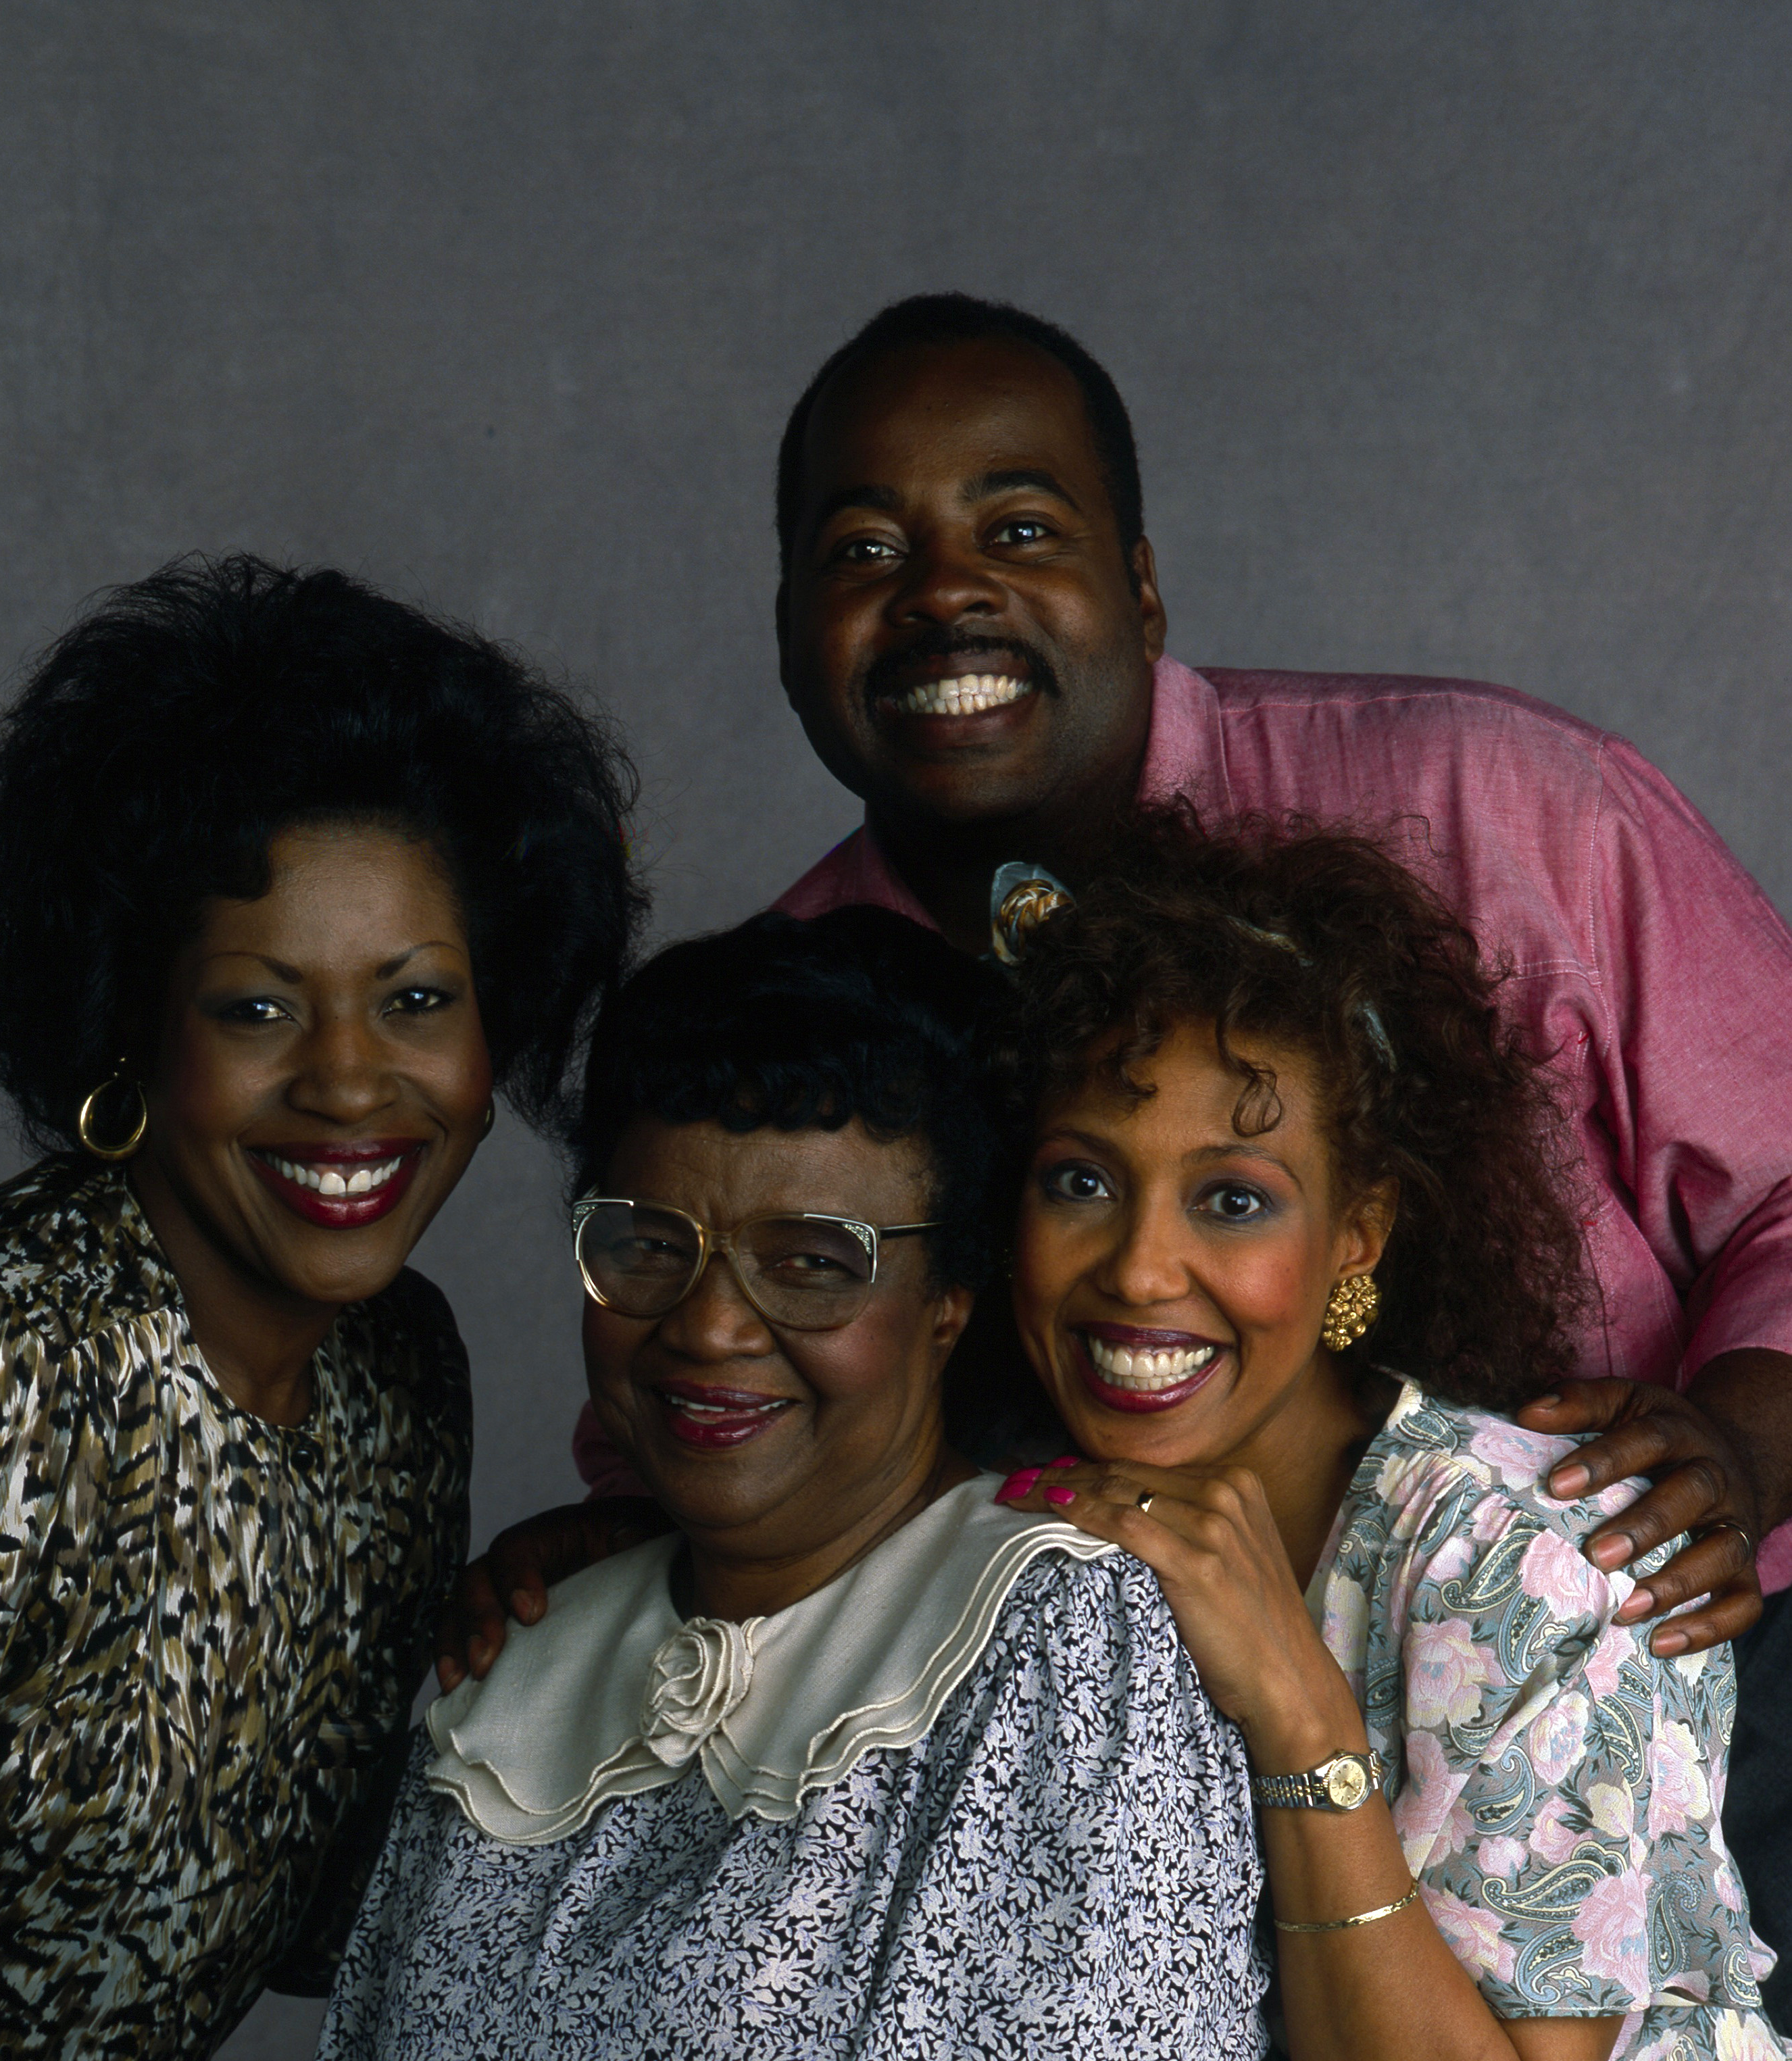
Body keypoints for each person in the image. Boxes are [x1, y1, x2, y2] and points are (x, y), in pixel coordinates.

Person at [554, 291, 1792, 1667]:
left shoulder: (1501, 800)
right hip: (1127, 1768)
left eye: (1018, 531)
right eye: (863, 548)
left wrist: (1740, 1445)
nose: (944, 590)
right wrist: (611, 1561)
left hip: (1672, 1671)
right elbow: (685, 1393)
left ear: (1140, 588)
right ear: (788, 629)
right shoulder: (784, 1021)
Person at [0, 556, 643, 2058]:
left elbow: (320, 1920)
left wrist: (618, 1611)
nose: (349, 1083)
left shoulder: (397, 1377)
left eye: (416, 998)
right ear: (129, 1029)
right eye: (257, 1007)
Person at [320, 910, 1268, 2059]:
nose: (711, 1327)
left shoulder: (1060, 1637)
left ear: (947, 1302)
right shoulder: (515, 1667)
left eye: (813, 1263)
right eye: (652, 1245)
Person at [993, 808, 1781, 2060]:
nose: (1139, 1270)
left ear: (1356, 1235)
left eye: (1232, 1199)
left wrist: (1304, 1718)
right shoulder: (1023, 1516)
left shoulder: (1532, 1562)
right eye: (1081, 1180)